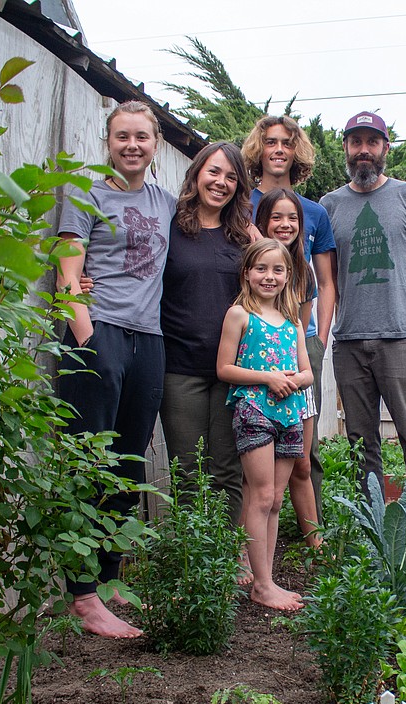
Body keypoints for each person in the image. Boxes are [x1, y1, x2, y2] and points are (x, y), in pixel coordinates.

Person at [55, 101, 175, 638]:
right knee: (89, 461)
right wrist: (87, 340)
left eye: (142, 137)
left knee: (128, 465)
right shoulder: (85, 194)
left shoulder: (166, 203)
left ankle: (108, 578)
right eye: (122, 136)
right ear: (108, 141)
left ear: (155, 144)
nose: (132, 145)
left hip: (147, 341)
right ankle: (82, 596)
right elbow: (67, 273)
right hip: (97, 335)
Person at [317, 111, 406, 492]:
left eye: (372, 142)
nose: (363, 150)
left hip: (401, 339)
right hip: (350, 341)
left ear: (386, 148)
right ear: (346, 149)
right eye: (356, 142)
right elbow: (329, 277)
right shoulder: (329, 205)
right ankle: (370, 535)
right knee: (360, 444)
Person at [242, 116, 335, 542]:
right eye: (270, 142)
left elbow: (321, 285)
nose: (279, 149)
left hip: (299, 343)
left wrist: (316, 339)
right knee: (252, 445)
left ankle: (308, 536)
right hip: (254, 346)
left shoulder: (314, 212)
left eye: (287, 142)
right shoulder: (242, 206)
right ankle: (250, 544)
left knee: (302, 452)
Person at [160, 142, 257, 534]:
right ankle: (190, 558)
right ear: (197, 173)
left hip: (232, 371)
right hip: (179, 367)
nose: (221, 182)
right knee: (185, 472)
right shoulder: (170, 225)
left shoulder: (244, 236)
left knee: (227, 471)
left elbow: (270, 288)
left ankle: (223, 554)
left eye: (231, 177)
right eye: (214, 172)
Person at [217, 238, 313, 610]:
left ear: (288, 276)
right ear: (246, 273)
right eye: (261, 269)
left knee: (275, 500)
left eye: (277, 270)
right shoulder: (240, 314)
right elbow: (224, 368)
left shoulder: (292, 322)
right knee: (259, 496)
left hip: (290, 414)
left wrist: (292, 379)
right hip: (254, 410)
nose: (269, 277)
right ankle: (262, 583)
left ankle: (265, 579)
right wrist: (267, 378)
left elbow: (307, 372)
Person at [253, 189, 322, 547]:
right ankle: (248, 553)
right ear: (262, 221)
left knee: (303, 463)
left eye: (292, 218)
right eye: (276, 217)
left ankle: (317, 549)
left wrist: (298, 377)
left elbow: (299, 331)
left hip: (296, 380)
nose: (285, 224)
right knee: (259, 482)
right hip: (256, 384)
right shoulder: (249, 268)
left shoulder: (303, 273)